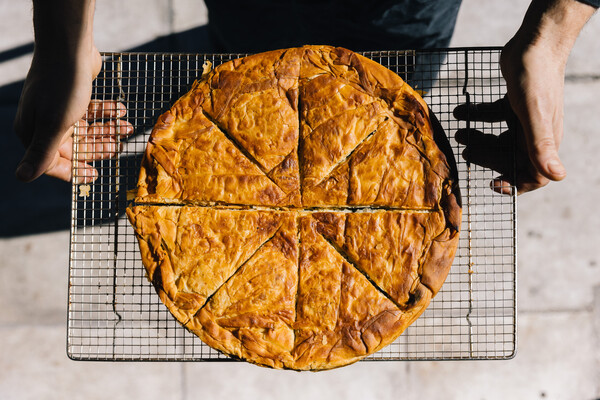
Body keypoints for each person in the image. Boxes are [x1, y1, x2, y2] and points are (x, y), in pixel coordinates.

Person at [13, 0, 598, 194]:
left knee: (373, 131)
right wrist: (63, 45)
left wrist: (551, 36)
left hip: (400, 11)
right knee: (247, 93)